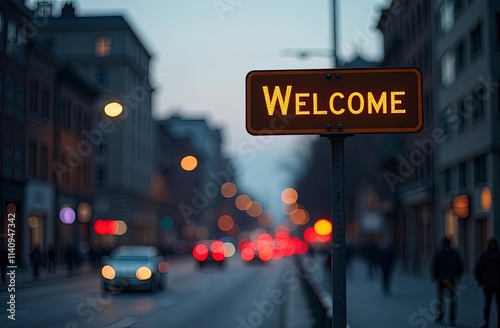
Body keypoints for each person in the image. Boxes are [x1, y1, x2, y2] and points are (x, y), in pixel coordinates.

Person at [430, 236, 464, 326]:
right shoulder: (455, 253)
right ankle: (452, 319)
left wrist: (435, 276)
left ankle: (440, 317)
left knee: (440, 299)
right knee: (452, 300)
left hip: (441, 279)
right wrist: (457, 276)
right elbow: (460, 266)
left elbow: (434, 265)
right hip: (452, 279)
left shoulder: (438, 252)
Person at [474, 237, 500, 328]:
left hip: (487, 285)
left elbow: (477, 270)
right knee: (499, 305)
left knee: (487, 305)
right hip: (498, 284)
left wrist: (480, 281)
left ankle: (486, 323)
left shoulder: (484, 256)